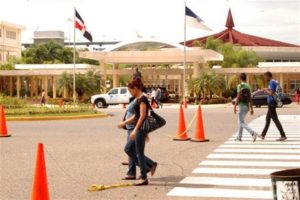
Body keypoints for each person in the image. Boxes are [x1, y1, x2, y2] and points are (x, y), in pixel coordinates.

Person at [118, 78, 157, 186]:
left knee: (139, 153)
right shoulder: (139, 98)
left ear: (135, 88)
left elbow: (143, 115)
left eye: (130, 91)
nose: (130, 93)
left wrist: (135, 130)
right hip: (137, 129)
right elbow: (136, 116)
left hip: (139, 129)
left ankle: (144, 177)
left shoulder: (142, 99)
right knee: (128, 149)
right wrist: (124, 123)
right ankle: (149, 166)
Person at [258, 71, 287, 141]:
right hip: (272, 102)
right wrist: (266, 89)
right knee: (268, 119)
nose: (265, 78)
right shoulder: (274, 81)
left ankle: (283, 135)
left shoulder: (271, 82)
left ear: (268, 76)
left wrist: (265, 91)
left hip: (271, 102)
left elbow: (271, 93)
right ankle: (263, 135)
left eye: (265, 77)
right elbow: (272, 90)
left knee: (275, 119)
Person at [234, 73, 258, 142]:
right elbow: (250, 98)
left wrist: (235, 106)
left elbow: (238, 96)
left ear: (240, 78)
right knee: (241, 122)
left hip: (241, 106)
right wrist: (251, 108)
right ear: (245, 78)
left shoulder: (240, 86)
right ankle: (239, 137)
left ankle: (252, 133)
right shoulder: (248, 86)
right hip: (247, 107)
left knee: (241, 123)